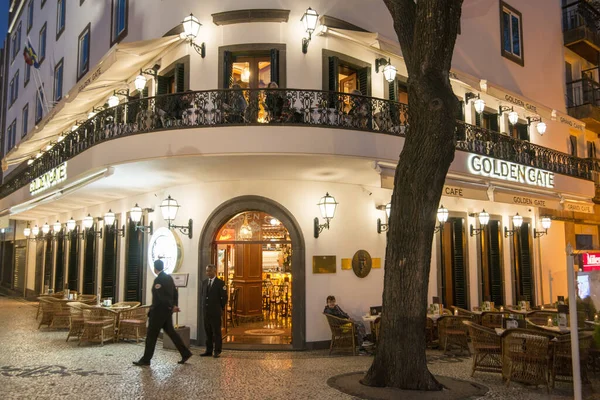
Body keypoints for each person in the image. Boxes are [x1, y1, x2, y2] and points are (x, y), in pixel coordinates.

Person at [133, 259, 192, 366]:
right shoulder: (169, 278)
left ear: (155, 269)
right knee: (172, 333)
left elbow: (161, 297)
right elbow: (175, 293)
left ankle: (146, 359)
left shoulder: (159, 280)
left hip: (158, 313)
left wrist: (170, 306)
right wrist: (173, 305)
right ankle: (185, 353)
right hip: (166, 313)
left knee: (151, 336)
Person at [200, 264, 228, 358]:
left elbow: (224, 298)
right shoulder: (204, 282)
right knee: (208, 332)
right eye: (207, 271)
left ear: (214, 271)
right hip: (206, 312)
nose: (208, 273)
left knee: (216, 332)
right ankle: (208, 350)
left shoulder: (220, 283)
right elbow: (202, 295)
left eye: (210, 271)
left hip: (215, 311)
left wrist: (220, 307)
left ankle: (217, 350)